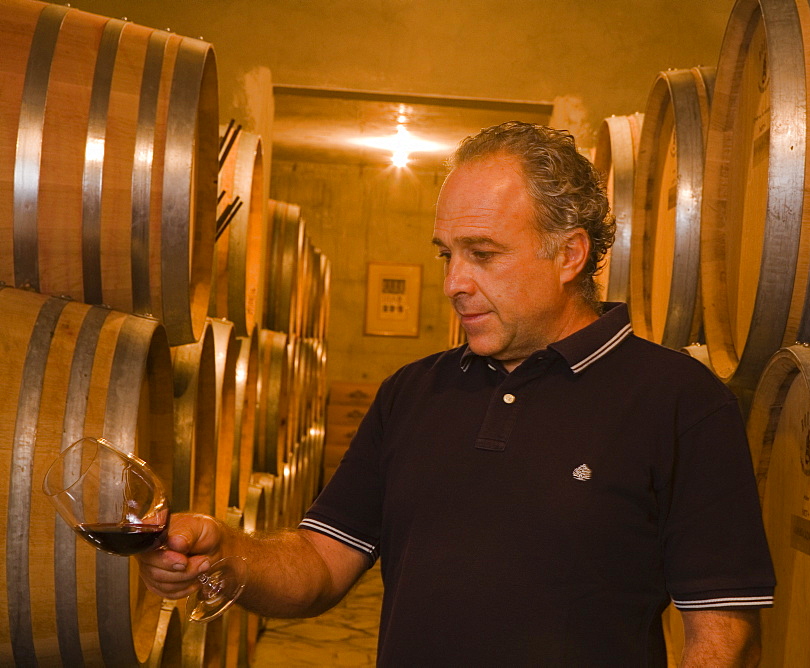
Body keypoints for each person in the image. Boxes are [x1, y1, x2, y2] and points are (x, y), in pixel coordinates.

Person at [139, 121, 775, 666]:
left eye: (483, 254)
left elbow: (722, 630)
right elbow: (318, 565)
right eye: (447, 254)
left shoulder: (680, 401)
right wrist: (231, 554)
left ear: (570, 255)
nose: (453, 283)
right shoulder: (413, 392)